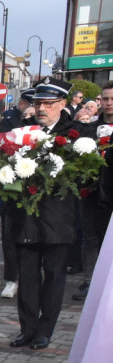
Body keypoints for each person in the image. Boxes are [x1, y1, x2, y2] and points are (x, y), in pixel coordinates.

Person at [7, 78, 89, 351]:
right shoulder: (24, 132)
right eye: (38, 102)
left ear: (62, 104)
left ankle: (45, 330)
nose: (41, 108)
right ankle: (27, 330)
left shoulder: (76, 133)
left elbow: (83, 175)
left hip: (58, 218)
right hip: (27, 218)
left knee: (54, 276)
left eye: (48, 103)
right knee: (28, 276)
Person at [74, 80, 113, 302]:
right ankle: (89, 281)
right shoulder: (89, 129)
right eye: (105, 99)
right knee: (90, 238)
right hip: (91, 192)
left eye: (112, 99)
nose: (108, 103)